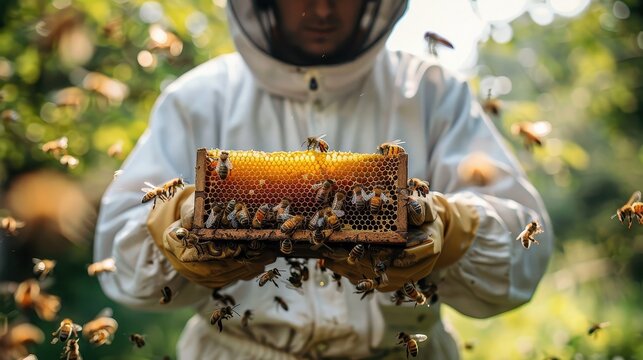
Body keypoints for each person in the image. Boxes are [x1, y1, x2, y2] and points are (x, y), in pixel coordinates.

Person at [94, 0, 553, 359]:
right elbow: (119, 254)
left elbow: (524, 247)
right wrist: (172, 218)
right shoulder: (196, 98)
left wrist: (453, 228)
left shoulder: (431, 91)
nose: (327, 8)